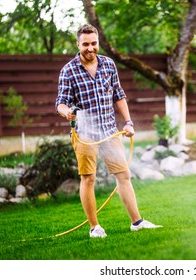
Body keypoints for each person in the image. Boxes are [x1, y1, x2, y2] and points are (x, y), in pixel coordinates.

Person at [55, 24, 161, 238]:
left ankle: (137, 222)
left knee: (124, 175)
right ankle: (95, 228)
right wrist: (67, 113)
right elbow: (60, 103)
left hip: (109, 131)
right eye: (85, 44)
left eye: (94, 43)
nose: (90, 48)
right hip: (85, 136)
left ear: (98, 43)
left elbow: (119, 96)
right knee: (89, 179)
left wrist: (129, 122)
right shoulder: (68, 71)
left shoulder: (109, 65)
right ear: (78, 44)